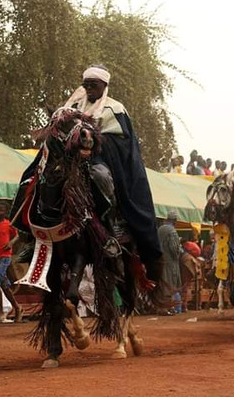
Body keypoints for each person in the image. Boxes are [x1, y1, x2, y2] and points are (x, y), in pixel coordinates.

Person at [59, 64, 162, 281]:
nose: (88, 89)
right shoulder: (73, 105)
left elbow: (122, 142)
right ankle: (33, 228)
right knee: (44, 175)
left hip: (100, 159)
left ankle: (112, 221)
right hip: (72, 158)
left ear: (104, 85)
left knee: (101, 177)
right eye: (86, 84)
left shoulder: (115, 109)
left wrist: (95, 141)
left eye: (93, 85)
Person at [157, 211, 182, 314]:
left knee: (162, 283)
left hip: (160, 260)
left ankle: (162, 307)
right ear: (175, 221)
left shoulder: (159, 229)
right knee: (170, 283)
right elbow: (174, 248)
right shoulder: (172, 231)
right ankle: (166, 308)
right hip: (170, 262)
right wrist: (178, 253)